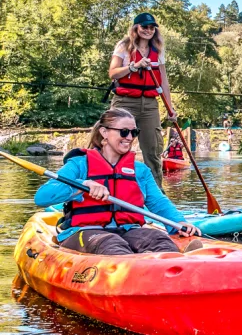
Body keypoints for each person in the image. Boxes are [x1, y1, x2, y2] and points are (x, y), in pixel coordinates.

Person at [34, 107, 200, 255]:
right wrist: (82, 185)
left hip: (129, 230)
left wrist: (178, 223)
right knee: (111, 244)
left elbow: (158, 202)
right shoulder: (79, 164)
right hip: (86, 231)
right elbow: (42, 197)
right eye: (124, 132)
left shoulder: (140, 170)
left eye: (134, 133)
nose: (129, 137)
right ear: (104, 132)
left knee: (159, 241)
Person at [109, 12, 177, 186]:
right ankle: (112, 188)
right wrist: (133, 67)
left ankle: (156, 196)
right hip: (124, 102)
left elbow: (164, 82)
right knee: (116, 145)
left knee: (153, 150)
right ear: (135, 28)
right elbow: (113, 73)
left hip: (149, 105)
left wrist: (170, 108)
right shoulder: (124, 46)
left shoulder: (158, 49)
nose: (148, 30)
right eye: (144, 27)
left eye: (152, 27)